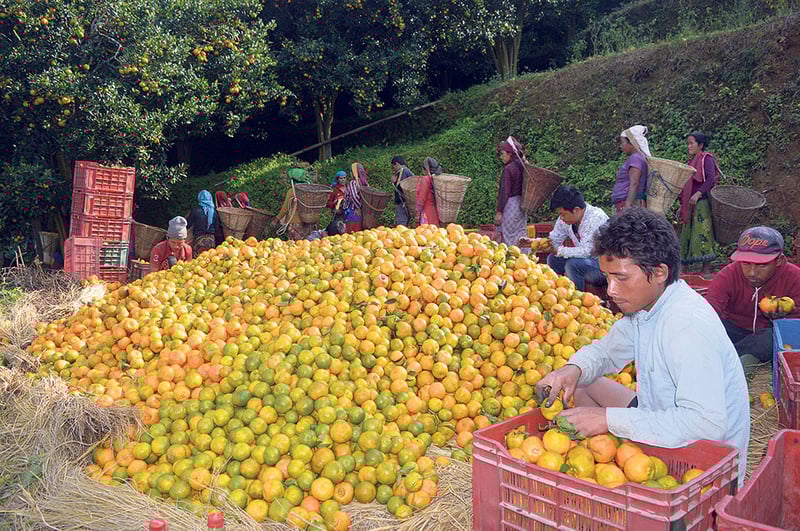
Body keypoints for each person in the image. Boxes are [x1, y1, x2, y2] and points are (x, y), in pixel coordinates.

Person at [536, 208, 750, 486]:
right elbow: (607, 351)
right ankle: (604, 459)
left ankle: (624, 465)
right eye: (607, 277)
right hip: (658, 414)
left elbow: (706, 426)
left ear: (659, 272)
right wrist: (572, 370)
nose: (610, 290)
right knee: (584, 383)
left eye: (621, 278)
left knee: (601, 415)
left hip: (701, 458)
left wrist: (608, 420)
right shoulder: (647, 308)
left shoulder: (686, 326)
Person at [706, 226, 800, 379]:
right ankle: (742, 357)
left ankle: (730, 357)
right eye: (746, 263)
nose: (752, 272)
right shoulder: (727, 276)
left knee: (771, 339)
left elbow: (795, 328)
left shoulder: (795, 278)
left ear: (779, 260)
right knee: (712, 328)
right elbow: (710, 311)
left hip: (769, 334)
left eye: (762, 265)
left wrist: (781, 319)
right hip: (735, 330)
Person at [546, 185, 609, 290]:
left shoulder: (595, 218)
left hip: (603, 267)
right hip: (584, 261)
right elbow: (554, 239)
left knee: (573, 265)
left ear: (576, 210)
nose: (561, 218)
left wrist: (559, 250)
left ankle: (576, 297)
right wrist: (538, 243)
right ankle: (557, 291)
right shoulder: (565, 219)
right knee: (553, 259)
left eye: (563, 214)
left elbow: (586, 252)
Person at [679, 132, 718, 274]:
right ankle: (683, 268)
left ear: (700, 145)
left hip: (701, 203)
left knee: (702, 232)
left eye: (691, 143)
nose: (688, 146)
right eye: (688, 144)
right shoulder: (691, 162)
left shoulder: (706, 159)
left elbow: (710, 179)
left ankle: (706, 269)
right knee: (687, 233)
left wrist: (698, 193)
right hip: (689, 203)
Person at [495, 137, 526, 248]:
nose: (501, 157)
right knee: (520, 234)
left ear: (510, 154)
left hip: (510, 205)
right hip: (521, 205)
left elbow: (504, 192)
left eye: (503, 154)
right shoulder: (523, 166)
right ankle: (524, 257)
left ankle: (510, 257)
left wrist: (499, 212)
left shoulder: (509, 169)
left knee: (508, 236)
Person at [612, 125, 650, 213]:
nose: (621, 146)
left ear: (631, 143)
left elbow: (634, 183)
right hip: (628, 203)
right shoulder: (638, 157)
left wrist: (627, 205)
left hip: (630, 204)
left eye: (623, 143)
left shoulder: (635, 158)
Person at [274, 168, 316, 240]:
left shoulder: (292, 191)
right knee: (306, 245)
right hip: (308, 224)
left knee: (294, 246)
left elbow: (285, 208)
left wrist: (277, 219)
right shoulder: (310, 192)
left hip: (295, 224)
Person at [186, 190, 218, 255]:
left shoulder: (195, 211)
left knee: (198, 258)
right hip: (211, 240)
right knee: (211, 258)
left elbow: (188, 224)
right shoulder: (214, 212)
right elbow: (216, 227)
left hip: (199, 239)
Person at [343, 163, 369, 233]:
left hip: (353, 211)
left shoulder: (353, 183)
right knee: (359, 233)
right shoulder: (363, 182)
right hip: (361, 211)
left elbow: (354, 196)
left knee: (352, 233)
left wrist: (358, 208)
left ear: (353, 173)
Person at [417, 157, 441, 227]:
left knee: (426, 232)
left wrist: (417, 213)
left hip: (427, 213)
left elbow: (421, 198)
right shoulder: (437, 179)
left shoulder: (426, 179)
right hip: (435, 213)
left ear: (425, 169)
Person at [391, 156, 413, 226]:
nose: (393, 169)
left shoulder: (403, 171)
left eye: (393, 167)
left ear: (397, 164)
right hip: (406, 202)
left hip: (402, 202)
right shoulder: (406, 170)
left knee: (401, 223)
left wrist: (394, 182)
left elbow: (402, 187)